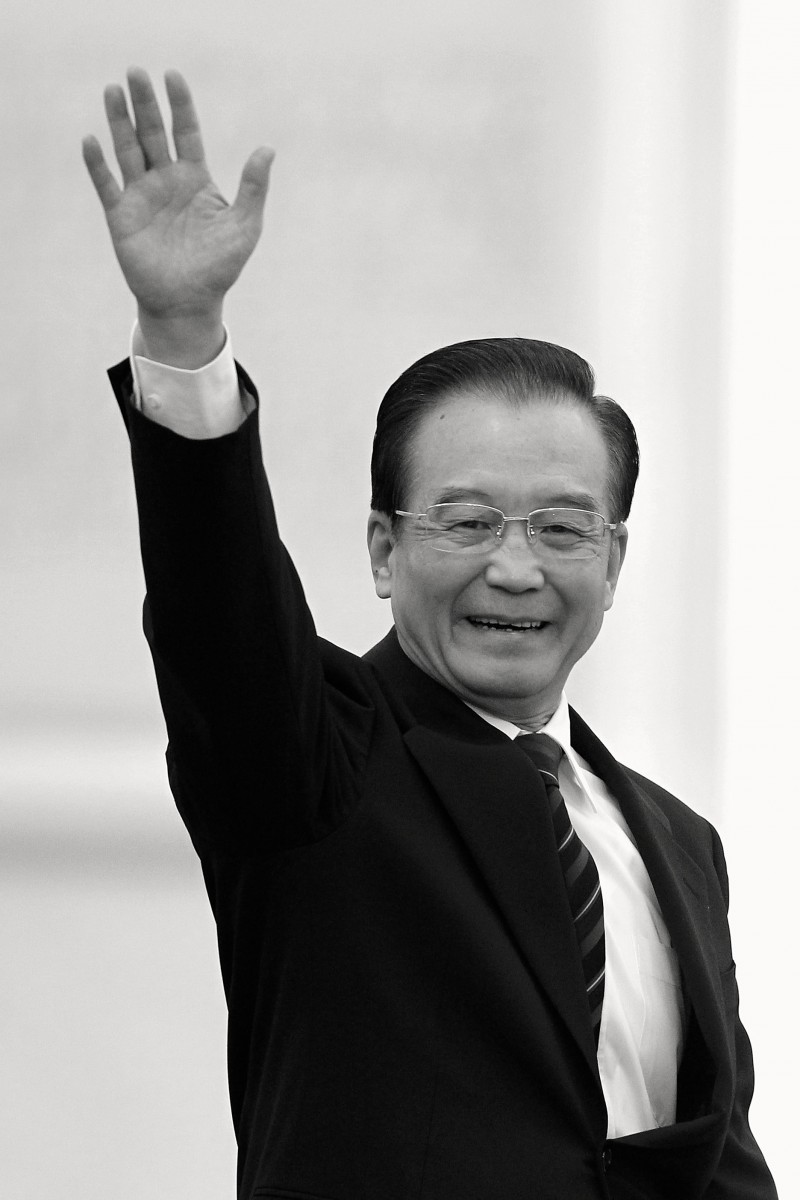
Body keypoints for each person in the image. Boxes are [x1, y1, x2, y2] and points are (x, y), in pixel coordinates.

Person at [83, 68, 777, 1200]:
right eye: (464, 521)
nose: (514, 565)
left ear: (610, 561)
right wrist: (183, 333)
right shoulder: (318, 766)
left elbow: (710, 1158)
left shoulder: (676, 841)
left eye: (560, 525)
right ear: (379, 550)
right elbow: (222, 628)